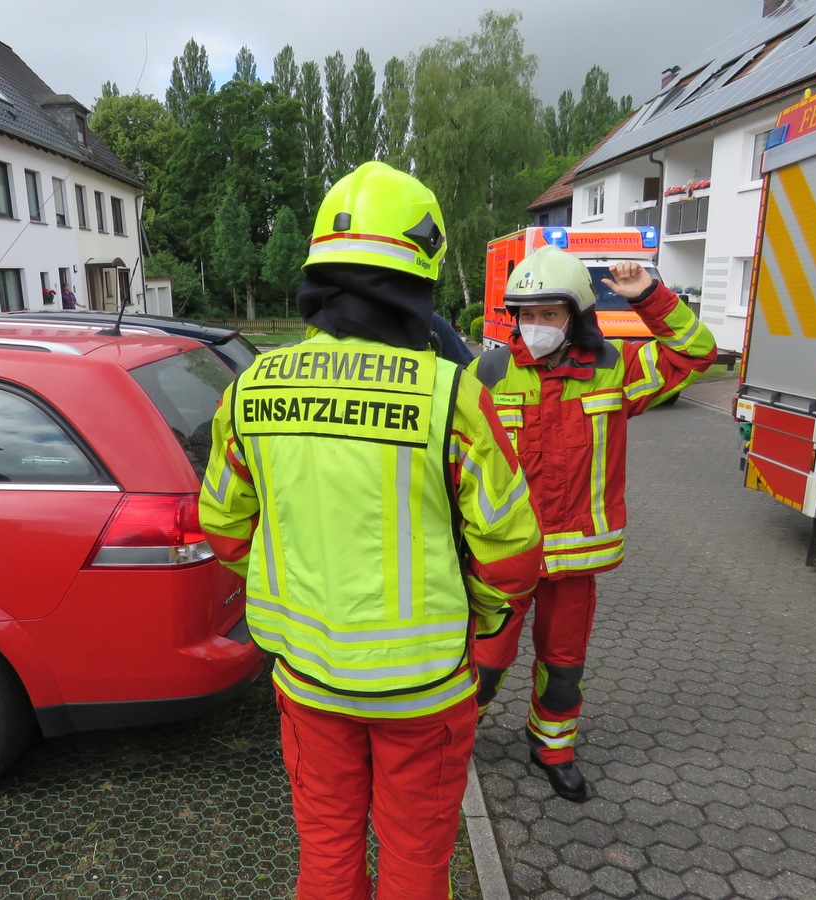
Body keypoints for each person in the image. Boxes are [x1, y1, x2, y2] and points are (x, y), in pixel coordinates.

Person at [198, 160, 543, 899]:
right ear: (420, 276)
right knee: (417, 862)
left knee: (326, 850)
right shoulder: (451, 396)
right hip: (424, 690)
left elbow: (224, 527)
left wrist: (294, 592)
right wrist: (477, 634)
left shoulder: (250, 387)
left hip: (309, 681)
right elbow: (512, 555)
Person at [470, 244, 717, 802]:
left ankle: (551, 747)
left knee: (562, 667)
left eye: (548, 314)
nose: (534, 326)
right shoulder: (487, 372)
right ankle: (454, 740)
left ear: (576, 316)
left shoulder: (614, 370)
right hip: (505, 558)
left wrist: (650, 298)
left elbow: (697, 351)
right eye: (525, 315)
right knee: (485, 660)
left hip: (577, 562)